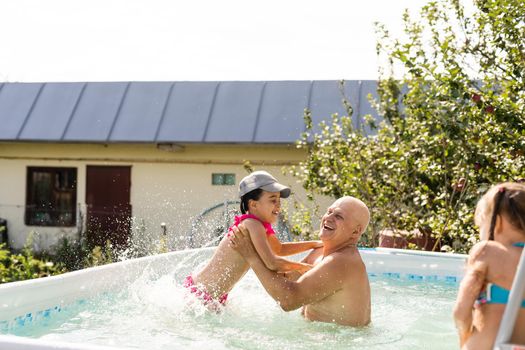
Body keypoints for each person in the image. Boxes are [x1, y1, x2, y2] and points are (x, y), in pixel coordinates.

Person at [185, 170, 323, 308]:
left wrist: (314, 244)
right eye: (272, 200)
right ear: (253, 204)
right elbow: (272, 263)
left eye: (279, 200)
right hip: (200, 295)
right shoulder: (252, 224)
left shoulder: (259, 225)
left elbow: (279, 249)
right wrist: (305, 267)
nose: (278, 205)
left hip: (211, 294)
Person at [229, 196, 371, 326]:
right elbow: (285, 278)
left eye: (339, 216)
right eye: (329, 211)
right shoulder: (320, 252)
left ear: (355, 232)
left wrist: (251, 256)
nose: (329, 218)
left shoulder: (342, 262)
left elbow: (288, 300)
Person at [453, 182, 525, 349]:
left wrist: (464, 336)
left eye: (480, 226)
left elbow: (461, 311)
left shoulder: (486, 252)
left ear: (497, 222)